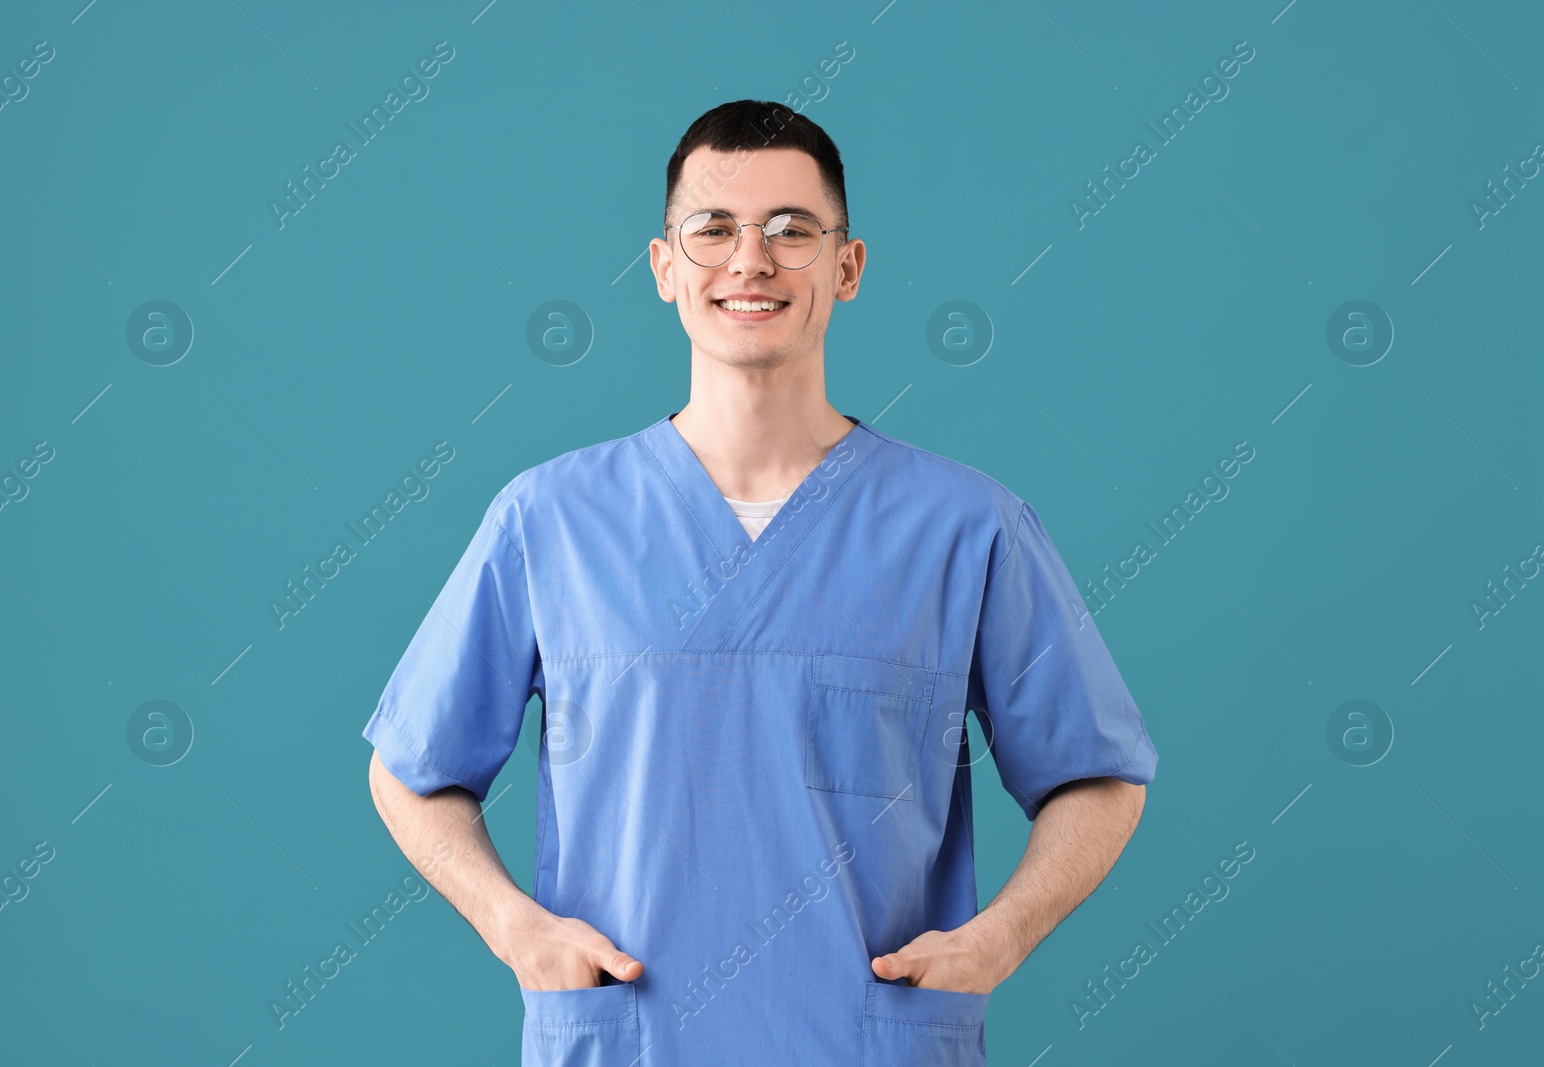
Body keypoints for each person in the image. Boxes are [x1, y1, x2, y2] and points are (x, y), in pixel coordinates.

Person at [363, 99, 1157, 1066]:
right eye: (713, 231)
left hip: (867, 1041)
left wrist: (1003, 935)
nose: (751, 262)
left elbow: (1098, 773)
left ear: (848, 267)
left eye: (793, 231)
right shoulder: (550, 520)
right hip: (629, 1042)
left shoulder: (966, 527)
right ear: (664, 268)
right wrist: (512, 926)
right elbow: (411, 769)